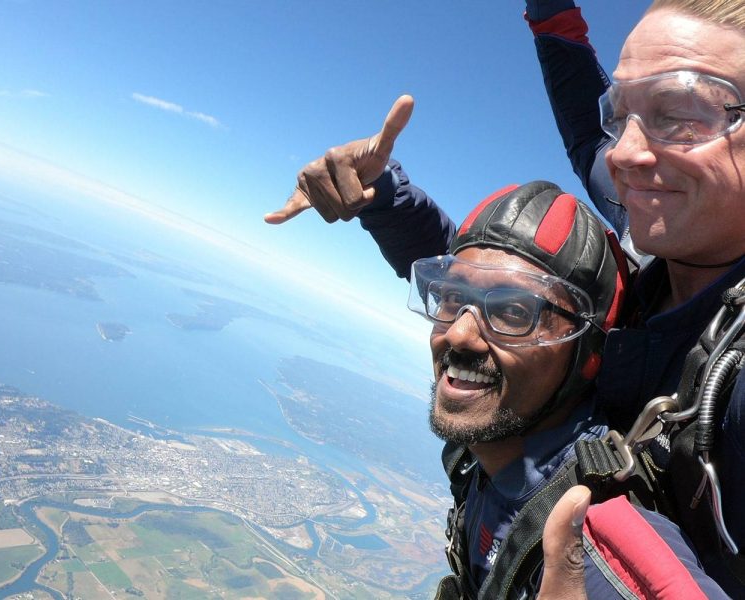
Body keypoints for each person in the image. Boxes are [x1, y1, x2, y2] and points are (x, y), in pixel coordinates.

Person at [266, 0, 745, 594]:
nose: (623, 154)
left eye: (680, 113)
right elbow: (517, 286)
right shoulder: (666, 214)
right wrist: (384, 200)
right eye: (622, 117)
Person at [398, 181, 726, 598]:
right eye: (451, 297)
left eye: (514, 311)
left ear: (589, 356)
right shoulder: (490, 446)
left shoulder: (594, 543)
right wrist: (383, 196)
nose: (459, 334)